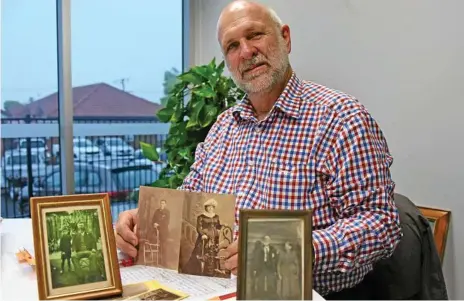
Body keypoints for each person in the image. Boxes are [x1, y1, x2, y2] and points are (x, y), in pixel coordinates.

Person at [114, 0, 402, 298]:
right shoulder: (223, 127)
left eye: (255, 35)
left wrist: (292, 247)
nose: (247, 52)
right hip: (217, 289)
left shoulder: (341, 118)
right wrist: (141, 221)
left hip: (306, 292)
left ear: (285, 38)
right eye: (232, 46)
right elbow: (190, 203)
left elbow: (381, 223)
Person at [182, 198, 223, 276]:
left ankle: (212, 271)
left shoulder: (216, 216)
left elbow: (217, 226)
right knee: (202, 253)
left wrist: (221, 226)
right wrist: (202, 234)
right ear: (206, 207)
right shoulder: (201, 217)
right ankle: (199, 271)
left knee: (213, 252)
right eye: (209, 207)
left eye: (212, 207)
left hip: (214, 238)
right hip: (204, 238)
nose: (210, 208)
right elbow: (199, 228)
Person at [153, 199, 170, 266]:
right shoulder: (156, 211)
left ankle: (164, 262)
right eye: (161, 203)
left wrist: (158, 224)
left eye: (163, 203)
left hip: (164, 232)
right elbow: (153, 220)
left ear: (165, 204)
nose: (162, 205)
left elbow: (167, 222)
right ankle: (159, 261)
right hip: (156, 232)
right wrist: (154, 223)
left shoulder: (167, 212)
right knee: (159, 247)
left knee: (164, 247)